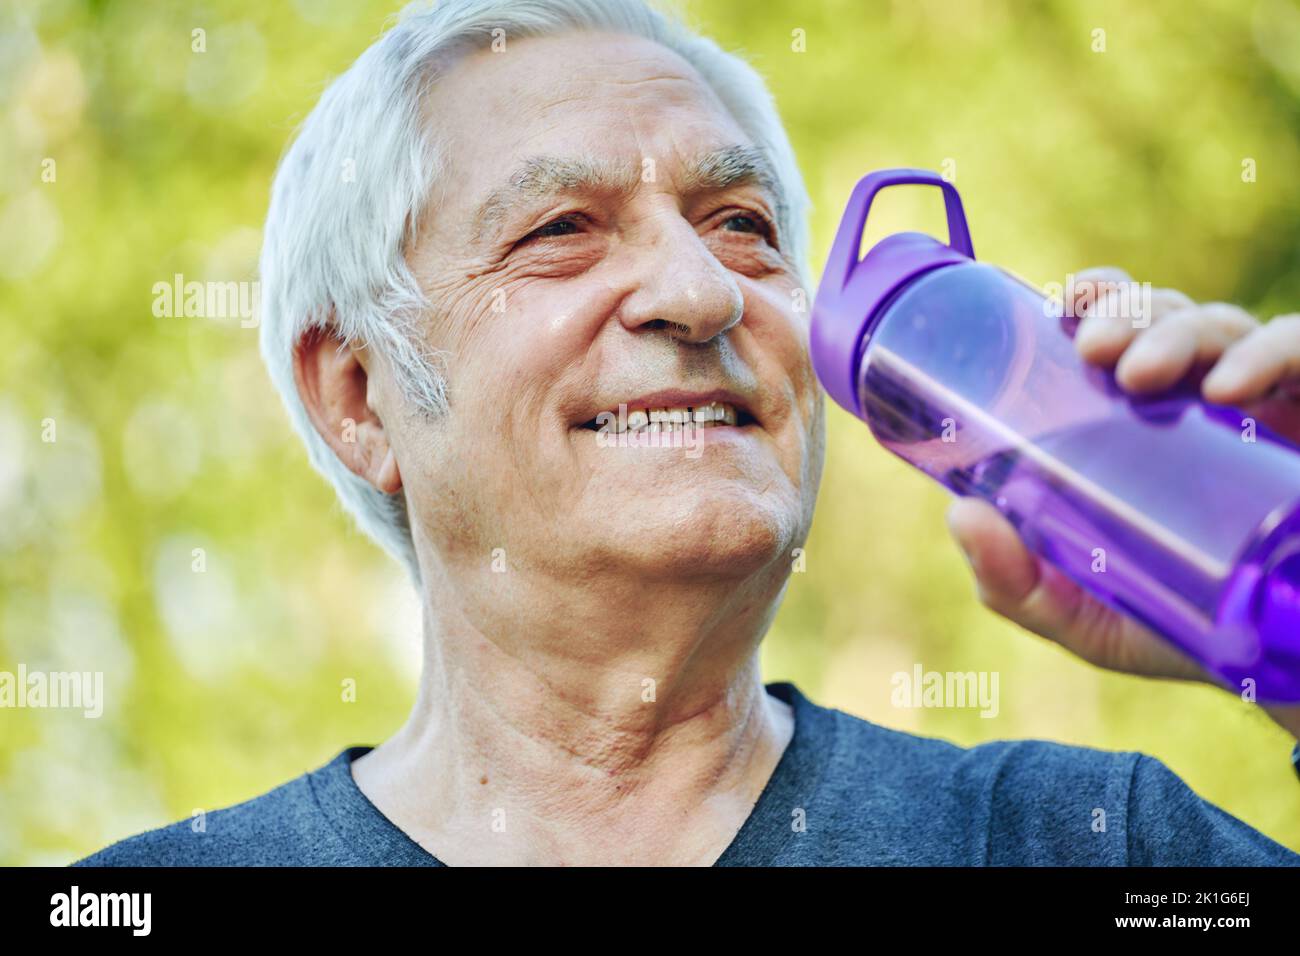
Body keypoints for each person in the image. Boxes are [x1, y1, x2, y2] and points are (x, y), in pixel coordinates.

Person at [79, 0, 1300, 866]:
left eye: (741, 223)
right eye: (561, 226)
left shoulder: (1088, 845)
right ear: (357, 393)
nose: (703, 293)